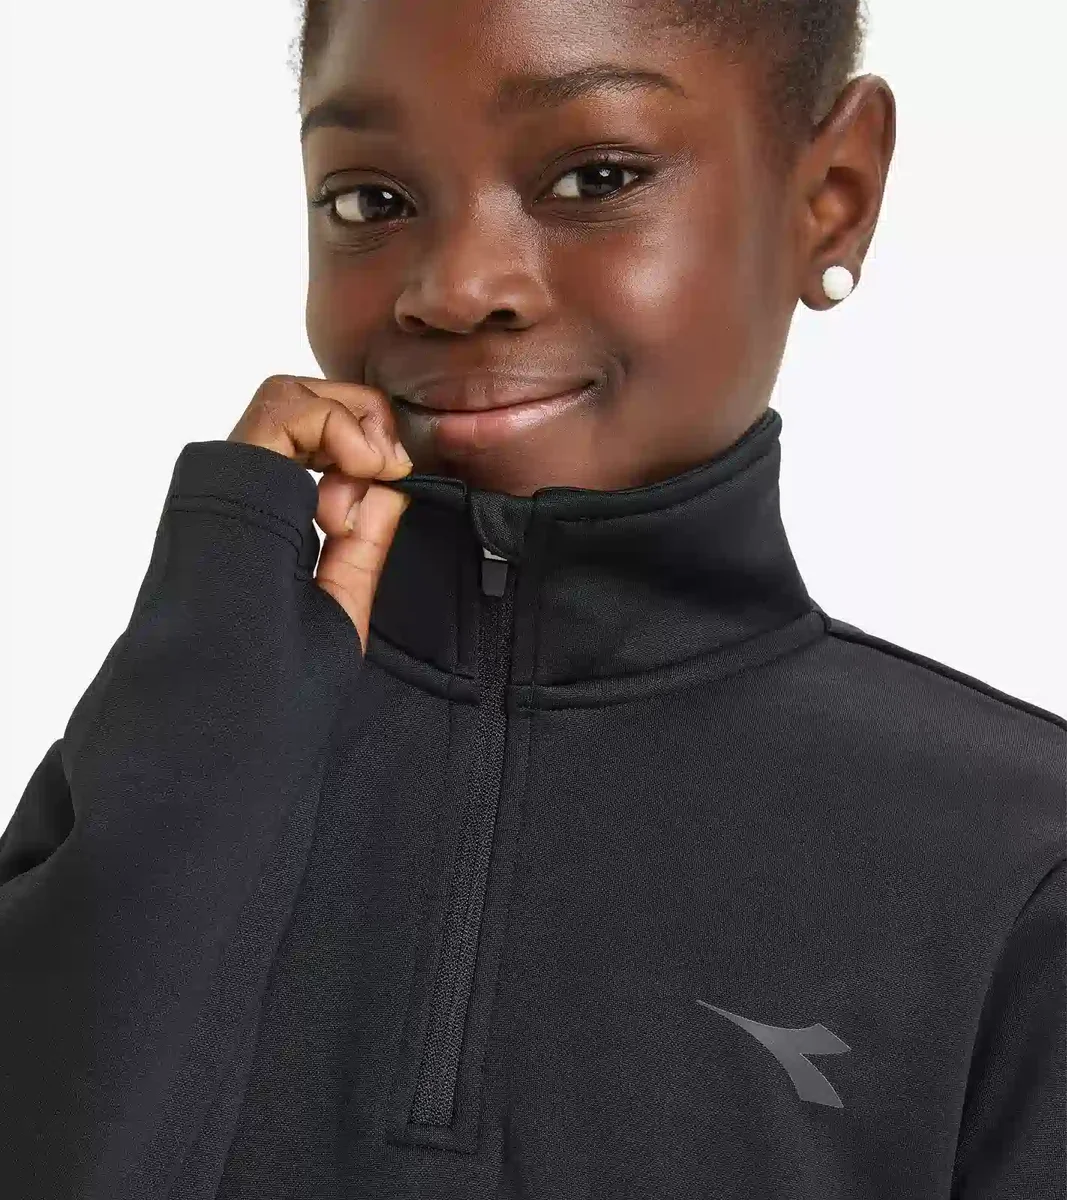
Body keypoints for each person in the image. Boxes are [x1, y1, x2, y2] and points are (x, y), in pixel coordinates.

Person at [1, 0, 1063, 1196]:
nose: (455, 288)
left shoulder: (1019, 865)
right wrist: (190, 746)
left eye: (594, 178)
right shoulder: (160, 769)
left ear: (832, 193)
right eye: (369, 200)